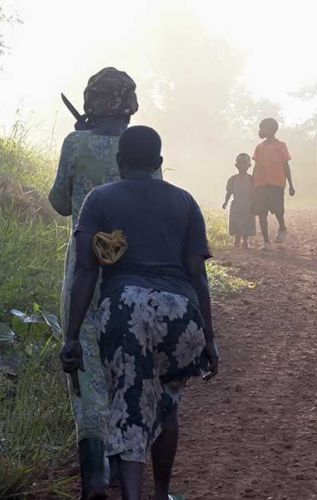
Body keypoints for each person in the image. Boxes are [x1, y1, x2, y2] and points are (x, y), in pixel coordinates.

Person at [60, 126, 220, 500]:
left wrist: (72, 336)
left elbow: (86, 270)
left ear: (119, 162)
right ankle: (161, 493)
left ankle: (132, 495)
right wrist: (209, 339)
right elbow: (198, 275)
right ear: (158, 163)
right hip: (179, 312)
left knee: (129, 402)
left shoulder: (100, 199)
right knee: (166, 403)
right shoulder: (184, 201)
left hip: (125, 310)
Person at [49, 66, 143, 500]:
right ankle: (125, 471)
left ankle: (94, 477)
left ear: (89, 103)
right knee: (125, 368)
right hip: (131, 274)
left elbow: (60, 203)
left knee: (86, 370)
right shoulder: (139, 147)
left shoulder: (76, 144)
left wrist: (79, 144)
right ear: (130, 106)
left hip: (83, 273)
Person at [252, 117, 295, 249]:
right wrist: (253, 184)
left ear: (271, 130)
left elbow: (285, 165)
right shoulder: (259, 147)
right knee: (262, 213)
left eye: (262, 128)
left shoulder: (281, 146)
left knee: (278, 210)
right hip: (261, 184)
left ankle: (282, 227)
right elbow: (256, 166)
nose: (260, 131)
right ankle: (266, 242)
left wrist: (291, 184)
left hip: (277, 183)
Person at [222, 153, 256, 249]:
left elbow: (254, 193)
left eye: (245, 163)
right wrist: (225, 202)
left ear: (249, 166)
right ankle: (237, 239)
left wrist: (255, 204)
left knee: (247, 222)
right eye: (240, 163)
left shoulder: (251, 179)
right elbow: (229, 192)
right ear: (236, 166)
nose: (242, 166)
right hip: (236, 204)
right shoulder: (232, 179)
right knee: (235, 221)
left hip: (248, 204)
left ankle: (245, 241)